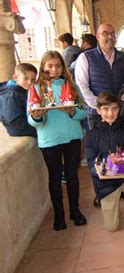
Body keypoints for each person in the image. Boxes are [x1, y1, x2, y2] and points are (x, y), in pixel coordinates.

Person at [28, 51, 88, 230]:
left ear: (63, 67)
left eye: (58, 65)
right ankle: (59, 215)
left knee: (72, 175)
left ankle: (75, 212)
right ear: (44, 67)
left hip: (72, 137)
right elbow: (31, 119)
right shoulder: (37, 88)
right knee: (54, 177)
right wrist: (38, 117)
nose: (54, 69)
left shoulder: (72, 86)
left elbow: (84, 111)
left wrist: (73, 112)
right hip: (49, 139)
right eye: (50, 66)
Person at [75, 23, 124, 207]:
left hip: (119, 113)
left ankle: (120, 187)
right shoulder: (86, 57)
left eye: (112, 33)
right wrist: (100, 107)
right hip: (96, 114)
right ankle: (101, 192)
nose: (109, 37)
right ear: (97, 36)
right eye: (105, 33)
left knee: (119, 150)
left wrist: (119, 108)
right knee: (99, 154)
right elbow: (82, 86)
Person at [84, 92, 124, 240]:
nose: (110, 113)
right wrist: (103, 170)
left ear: (119, 109)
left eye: (114, 109)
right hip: (106, 183)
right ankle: (111, 203)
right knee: (112, 227)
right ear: (98, 110)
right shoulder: (91, 136)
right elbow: (92, 164)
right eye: (105, 109)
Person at [0, 63, 37, 137]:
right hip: (21, 130)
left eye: (33, 80)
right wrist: (38, 128)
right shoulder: (12, 94)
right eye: (25, 78)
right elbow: (14, 124)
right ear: (15, 77)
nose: (29, 82)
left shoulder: (21, 90)